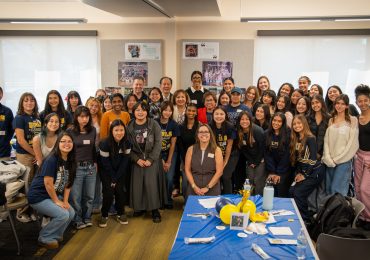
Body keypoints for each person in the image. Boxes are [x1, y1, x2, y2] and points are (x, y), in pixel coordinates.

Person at [28, 132, 76, 249]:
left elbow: (68, 184)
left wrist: (65, 201)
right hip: (39, 196)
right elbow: (48, 183)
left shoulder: (71, 160)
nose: (66, 144)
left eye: (69, 141)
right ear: (57, 143)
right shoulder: (52, 159)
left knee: (71, 213)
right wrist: (56, 201)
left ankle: (56, 235)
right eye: (63, 141)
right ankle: (44, 237)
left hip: (51, 195)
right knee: (63, 214)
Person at [127, 102, 166, 223]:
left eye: (143, 110)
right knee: (138, 186)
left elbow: (158, 143)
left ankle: (154, 210)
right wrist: (136, 159)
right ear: (133, 112)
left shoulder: (154, 124)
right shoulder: (129, 126)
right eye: (137, 110)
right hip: (137, 159)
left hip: (152, 159)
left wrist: (150, 159)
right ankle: (139, 208)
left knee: (151, 185)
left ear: (147, 111)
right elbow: (127, 147)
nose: (140, 112)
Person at [322, 94, 359, 196]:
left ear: (347, 106)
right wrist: (328, 158)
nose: (339, 106)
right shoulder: (331, 120)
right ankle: (329, 212)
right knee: (329, 190)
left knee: (338, 192)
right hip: (330, 162)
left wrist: (338, 159)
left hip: (344, 162)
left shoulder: (353, 120)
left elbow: (353, 144)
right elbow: (326, 141)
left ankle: (339, 212)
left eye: (343, 104)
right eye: (337, 103)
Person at [289, 115, 324, 222]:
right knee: (291, 191)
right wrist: (299, 173)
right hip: (304, 171)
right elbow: (299, 160)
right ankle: (297, 216)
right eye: (294, 124)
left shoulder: (310, 138)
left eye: (299, 123)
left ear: (304, 124)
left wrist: (304, 175)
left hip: (314, 172)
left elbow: (313, 159)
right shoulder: (296, 138)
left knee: (298, 193)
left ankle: (305, 219)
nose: (296, 126)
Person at [68, 106, 97, 229]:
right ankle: (77, 219)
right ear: (76, 117)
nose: (84, 119)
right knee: (76, 197)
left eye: (86, 116)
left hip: (90, 167)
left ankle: (87, 217)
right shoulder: (70, 131)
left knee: (90, 196)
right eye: (81, 117)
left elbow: (93, 149)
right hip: (77, 168)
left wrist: (95, 162)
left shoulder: (93, 130)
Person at [98, 119, 131, 227]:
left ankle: (121, 212)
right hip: (106, 172)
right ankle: (104, 214)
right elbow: (105, 164)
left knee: (120, 192)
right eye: (116, 130)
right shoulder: (104, 143)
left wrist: (116, 178)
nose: (119, 133)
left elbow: (124, 163)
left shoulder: (127, 143)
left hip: (120, 172)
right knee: (108, 193)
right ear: (111, 131)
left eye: (121, 130)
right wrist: (112, 178)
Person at [185, 124, 223, 196]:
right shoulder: (191, 149)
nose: (204, 134)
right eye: (201, 132)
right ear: (197, 135)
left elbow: (219, 172)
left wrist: (207, 187)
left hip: (212, 188)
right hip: (194, 189)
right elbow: (187, 170)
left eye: (206, 131)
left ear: (210, 134)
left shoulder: (217, 150)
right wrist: (194, 186)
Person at [157, 101, 180, 209]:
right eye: (165, 110)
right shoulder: (155, 122)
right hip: (157, 154)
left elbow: (173, 144)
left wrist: (169, 161)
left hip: (171, 153)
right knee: (159, 177)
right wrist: (161, 159)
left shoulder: (174, 125)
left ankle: (168, 200)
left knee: (169, 177)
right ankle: (160, 200)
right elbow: (154, 144)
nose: (167, 112)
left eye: (170, 110)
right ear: (161, 110)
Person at [209, 106, 237, 194]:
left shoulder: (230, 126)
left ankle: (228, 197)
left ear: (225, 115)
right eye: (216, 114)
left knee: (225, 176)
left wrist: (224, 162)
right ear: (213, 115)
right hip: (215, 154)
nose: (219, 116)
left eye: (221, 114)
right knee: (214, 174)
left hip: (231, 155)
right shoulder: (209, 126)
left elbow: (229, 146)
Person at [353, 84, 370, 230]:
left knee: (365, 189)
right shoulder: (357, 118)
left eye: (365, 100)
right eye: (360, 101)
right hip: (359, 156)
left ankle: (369, 218)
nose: (362, 103)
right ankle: (362, 217)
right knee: (358, 188)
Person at [237, 111, 265, 195]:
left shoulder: (257, 130)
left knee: (258, 181)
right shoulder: (239, 131)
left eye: (247, 119)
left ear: (250, 120)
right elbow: (243, 149)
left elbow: (262, 148)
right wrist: (250, 161)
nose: (244, 121)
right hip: (250, 160)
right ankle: (250, 201)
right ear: (239, 121)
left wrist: (256, 162)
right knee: (250, 180)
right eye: (242, 119)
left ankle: (259, 201)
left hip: (261, 159)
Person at [264, 113, 292, 197]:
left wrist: (279, 173)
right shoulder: (266, 133)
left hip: (285, 169)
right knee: (270, 189)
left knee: (280, 188)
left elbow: (287, 156)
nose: (276, 123)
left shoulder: (289, 134)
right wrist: (272, 172)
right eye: (274, 120)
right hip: (271, 168)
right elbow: (267, 154)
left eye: (279, 121)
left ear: (283, 123)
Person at [308, 95, 330, 160]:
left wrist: (320, 153)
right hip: (309, 152)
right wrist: (313, 152)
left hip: (324, 154)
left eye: (317, 102)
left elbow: (328, 138)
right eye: (312, 103)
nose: (315, 105)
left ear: (322, 103)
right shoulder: (308, 118)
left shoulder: (329, 118)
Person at [0, 86, 14, 159]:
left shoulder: (7, 111)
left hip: (3, 152)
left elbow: (12, 129)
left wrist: (4, 141)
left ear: (1, 95)